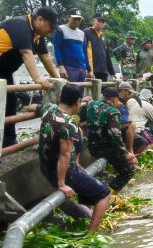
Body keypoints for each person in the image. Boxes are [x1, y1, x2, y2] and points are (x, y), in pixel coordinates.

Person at [28, 84, 111, 232]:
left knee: (79, 131)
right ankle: (91, 233)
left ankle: (85, 211)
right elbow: (65, 155)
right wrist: (61, 184)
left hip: (45, 165)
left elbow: (32, 107)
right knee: (105, 194)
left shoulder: (49, 109)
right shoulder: (69, 124)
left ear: (61, 98)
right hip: (66, 173)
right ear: (78, 102)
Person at [0, 6, 60, 147]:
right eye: (51, 26)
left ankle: (8, 142)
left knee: (11, 103)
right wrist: (37, 79)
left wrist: (58, 78)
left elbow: (45, 57)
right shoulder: (21, 25)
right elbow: (26, 52)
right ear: (40, 20)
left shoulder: (37, 35)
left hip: (3, 71)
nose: (51, 31)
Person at [77, 86, 137, 194]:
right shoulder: (113, 111)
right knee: (130, 171)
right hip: (106, 149)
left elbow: (80, 117)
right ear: (114, 99)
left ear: (103, 96)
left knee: (122, 165)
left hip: (91, 146)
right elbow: (114, 134)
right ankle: (109, 192)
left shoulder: (91, 105)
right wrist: (125, 153)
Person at [54, 7, 92, 83]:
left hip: (82, 68)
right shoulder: (60, 29)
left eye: (79, 19)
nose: (77, 21)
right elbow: (57, 48)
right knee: (70, 91)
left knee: (80, 93)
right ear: (68, 17)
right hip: (69, 67)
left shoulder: (82, 33)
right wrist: (61, 66)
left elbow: (85, 52)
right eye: (74, 19)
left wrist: (89, 70)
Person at [126, 87, 153, 155]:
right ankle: (135, 155)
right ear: (149, 98)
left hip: (127, 128)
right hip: (138, 129)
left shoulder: (131, 101)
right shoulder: (147, 105)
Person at [84, 13, 116, 82]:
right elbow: (83, 52)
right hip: (92, 71)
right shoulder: (86, 33)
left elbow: (107, 56)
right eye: (99, 21)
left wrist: (112, 72)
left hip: (103, 72)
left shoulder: (104, 36)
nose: (101, 23)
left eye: (103, 22)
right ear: (93, 20)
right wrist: (87, 69)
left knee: (103, 92)